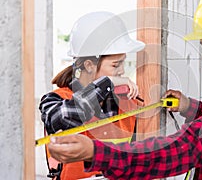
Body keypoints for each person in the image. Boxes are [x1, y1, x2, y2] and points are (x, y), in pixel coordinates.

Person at [47, 0, 202, 180]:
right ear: (88, 64)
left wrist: (95, 153)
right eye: (115, 64)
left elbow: (179, 149)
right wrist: (190, 108)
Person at [39, 11, 145, 179]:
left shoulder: (128, 103)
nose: (122, 71)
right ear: (89, 65)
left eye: (123, 63)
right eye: (116, 65)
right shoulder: (55, 100)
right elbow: (61, 117)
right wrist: (106, 83)